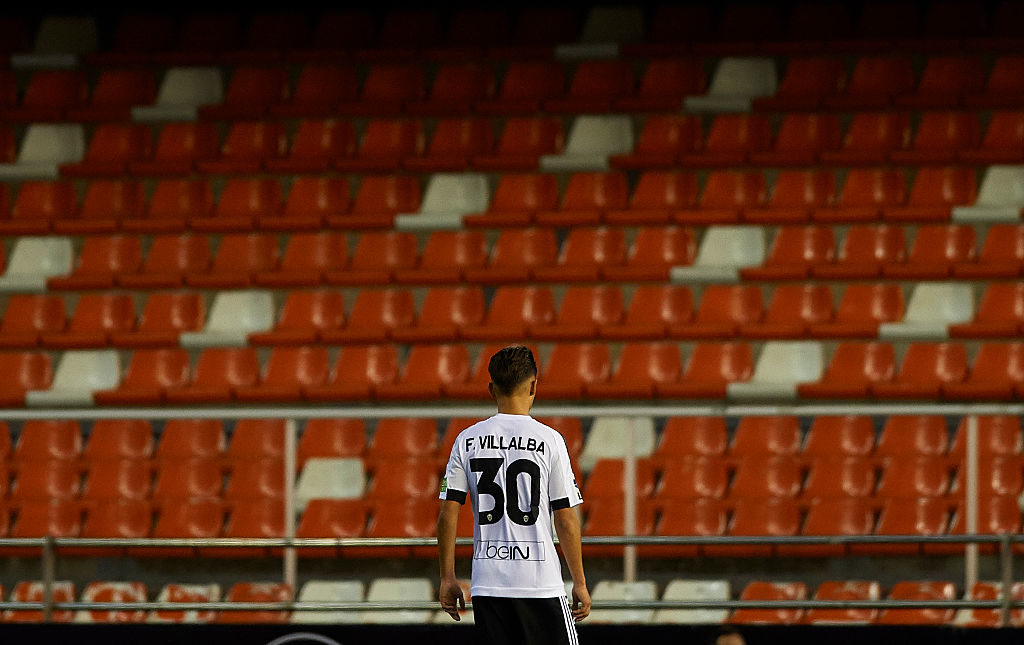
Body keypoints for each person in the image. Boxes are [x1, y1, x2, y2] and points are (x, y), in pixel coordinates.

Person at [437, 345, 590, 644]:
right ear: (534, 385)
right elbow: (566, 518)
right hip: (539, 583)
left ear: (491, 389)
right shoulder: (550, 440)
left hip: (488, 584)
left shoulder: (466, 440)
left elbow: (447, 513)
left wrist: (447, 577)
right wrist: (580, 582)